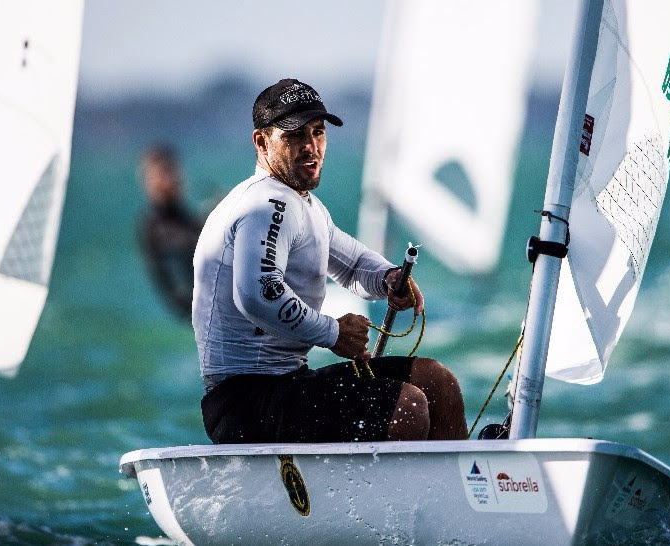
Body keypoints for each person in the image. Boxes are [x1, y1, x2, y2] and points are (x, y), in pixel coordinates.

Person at [193, 78, 467, 444]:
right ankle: (393, 499)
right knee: (408, 406)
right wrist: (334, 333)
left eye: (318, 133)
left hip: (289, 383)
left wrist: (388, 278)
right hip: (244, 402)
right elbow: (259, 294)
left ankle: (454, 491)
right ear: (261, 141)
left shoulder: (304, 206)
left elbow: (352, 265)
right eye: (294, 136)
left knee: (437, 382)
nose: (311, 148)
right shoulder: (264, 205)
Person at [137, 144, 205, 320]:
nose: (172, 179)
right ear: (148, 182)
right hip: (189, 305)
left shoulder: (187, 218)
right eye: (163, 173)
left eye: (173, 171)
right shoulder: (153, 226)